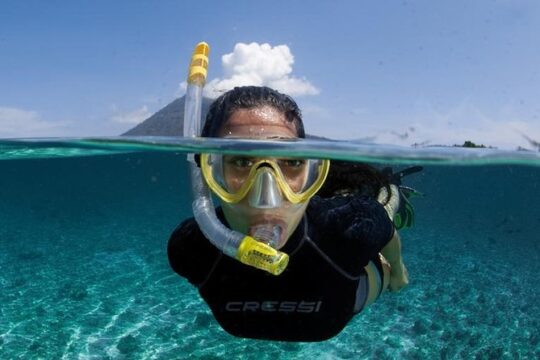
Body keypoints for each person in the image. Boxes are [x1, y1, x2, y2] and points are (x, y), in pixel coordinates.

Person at [168, 86, 409, 342]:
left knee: (383, 207)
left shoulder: (349, 228)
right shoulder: (189, 248)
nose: (266, 199)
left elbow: (387, 232)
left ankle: (393, 189)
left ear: (308, 170)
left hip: (352, 294)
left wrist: (398, 270)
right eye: (240, 162)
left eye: (292, 162)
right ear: (210, 173)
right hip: (331, 317)